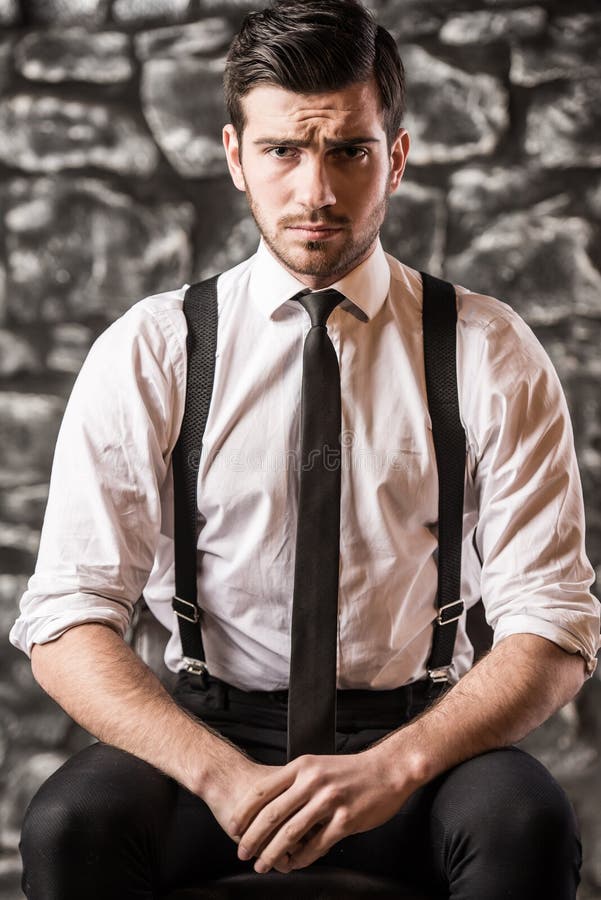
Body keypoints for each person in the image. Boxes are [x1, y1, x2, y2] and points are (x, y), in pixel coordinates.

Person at [9, 1, 600, 898]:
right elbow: (64, 616)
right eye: (283, 150)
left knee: (524, 824)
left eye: (348, 151)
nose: (315, 190)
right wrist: (221, 777)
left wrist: (394, 769)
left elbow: (553, 624)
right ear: (236, 157)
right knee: (69, 826)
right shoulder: (153, 349)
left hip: (420, 745)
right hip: (213, 740)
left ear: (393, 159)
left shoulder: (490, 349)